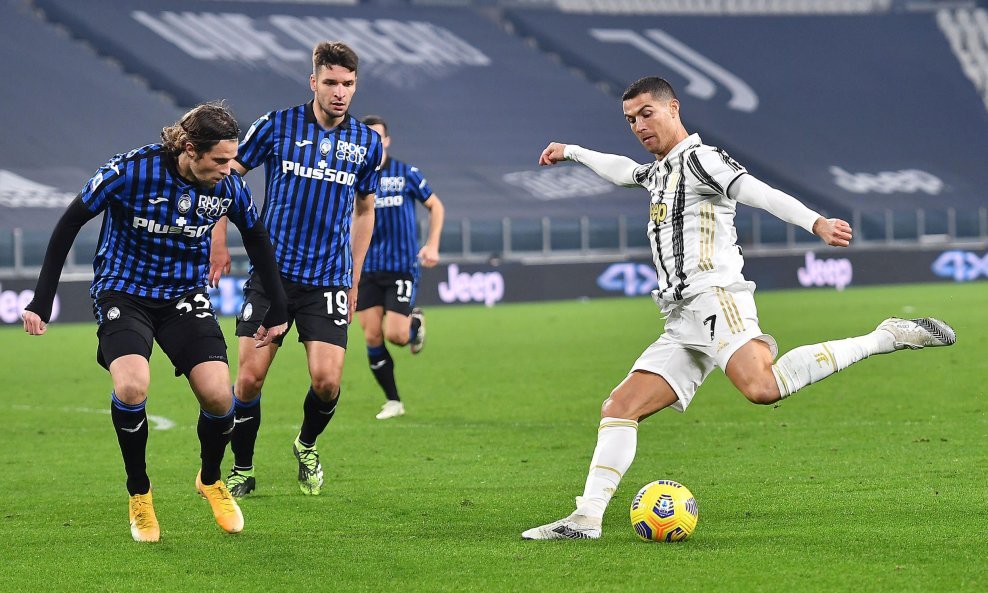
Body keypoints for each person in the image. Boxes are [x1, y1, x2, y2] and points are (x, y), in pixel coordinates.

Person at [522, 76, 957, 540]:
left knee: (762, 387)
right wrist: (571, 150)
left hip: (717, 297)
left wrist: (816, 222)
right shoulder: (659, 172)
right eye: (631, 120)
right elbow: (621, 169)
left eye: (647, 113)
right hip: (680, 318)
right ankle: (586, 518)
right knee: (620, 407)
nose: (639, 126)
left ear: (674, 109)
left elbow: (757, 192)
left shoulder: (701, 160)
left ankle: (885, 336)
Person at [21, 102, 289, 543]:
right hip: (124, 293)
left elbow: (256, 237)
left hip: (184, 296)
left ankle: (209, 478)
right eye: (220, 160)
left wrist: (277, 305)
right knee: (131, 386)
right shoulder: (129, 171)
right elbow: (70, 222)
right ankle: (139, 493)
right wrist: (42, 298)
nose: (229, 168)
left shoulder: (228, 187)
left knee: (221, 397)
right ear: (189, 148)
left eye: (231, 158)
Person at [208, 41, 383, 498]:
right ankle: (242, 468)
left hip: (328, 278)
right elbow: (228, 175)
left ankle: (306, 444)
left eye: (347, 84)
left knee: (327, 383)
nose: (339, 92)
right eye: (330, 82)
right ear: (314, 82)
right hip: (273, 277)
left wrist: (356, 271)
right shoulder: (277, 125)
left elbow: (365, 210)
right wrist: (218, 238)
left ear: (355, 85)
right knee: (248, 378)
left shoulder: (366, 143)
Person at [355, 115, 445, 420]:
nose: (374, 143)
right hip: (366, 268)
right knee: (370, 336)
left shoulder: (406, 173)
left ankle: (413, 325)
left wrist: (432, 245)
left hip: (401, 266)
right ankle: (393, 400)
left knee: (395, 335)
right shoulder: (352, 175)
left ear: (387, 140)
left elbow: (436, 205)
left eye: (379, 137)